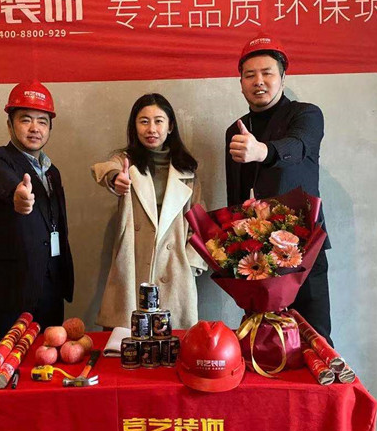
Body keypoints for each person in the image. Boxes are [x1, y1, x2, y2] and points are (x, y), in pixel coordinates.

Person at [225, 33, 333, 345]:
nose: (258, 81)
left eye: (267, 73)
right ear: (241, 83)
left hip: (304, 249)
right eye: (250, 75)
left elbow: (298, 146)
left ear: (283, 78)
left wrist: (262, 151)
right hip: (256, 255)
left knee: (315, 337)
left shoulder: (306, 115)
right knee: (264, 341)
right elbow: (236, 194)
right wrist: (231, 250)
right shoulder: (235, 131)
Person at [91, 93, 207, 330]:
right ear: (134, 126)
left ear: (170, 126)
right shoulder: (126, 162)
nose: (151, 129)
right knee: (128, 339)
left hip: (174, 268)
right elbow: (105, 169)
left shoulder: (187, 171)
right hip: (133, 262)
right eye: (143, 121)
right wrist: (116, 178)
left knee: (171, 341)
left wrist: (192, 264)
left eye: (158, 121)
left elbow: (200, 223)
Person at [0, 81, 74, 361]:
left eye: (42, 121)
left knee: (46, 367)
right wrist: (17, 197)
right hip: (10, 292)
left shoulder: (52, 172)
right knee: (3, 370)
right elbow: (3, 185)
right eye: (25, 119)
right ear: (10, 125)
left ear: (50, 128)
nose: (35, 128)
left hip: (50, 289)